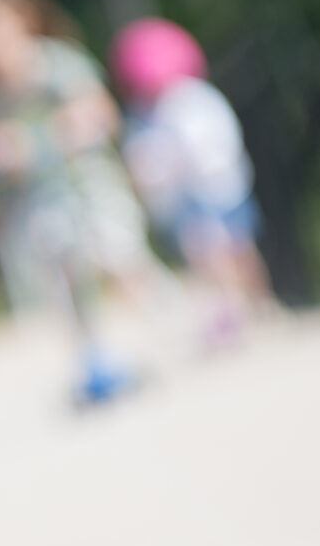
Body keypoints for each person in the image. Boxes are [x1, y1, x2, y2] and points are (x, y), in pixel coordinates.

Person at [0, 0, 150, 405]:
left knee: (119, 261)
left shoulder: (57, 65)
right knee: (65, 281)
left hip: (89, 187)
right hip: (36, 202)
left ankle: (165, 334)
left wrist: (30, 144)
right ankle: (96, 360)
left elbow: (98, 117)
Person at [109, 17, 271, 344]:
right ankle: (230, 309)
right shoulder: (145, 112)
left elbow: (212, 143)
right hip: (187, 195)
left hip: (218, 187)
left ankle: (258, 303)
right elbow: (145, 155)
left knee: (237, 248)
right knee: (207, 253)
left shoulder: (192, 98)